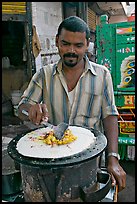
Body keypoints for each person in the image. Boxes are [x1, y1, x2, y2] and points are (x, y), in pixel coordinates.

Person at [18, 16, 126, 192]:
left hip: (90, 163)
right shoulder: (43, 75)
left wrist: (113, 158)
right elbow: (21, 109)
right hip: (51, 163)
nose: (71, 51)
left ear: (87, 44)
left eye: (78, 45)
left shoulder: (102, 75)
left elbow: (110, 116)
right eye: (65, 44)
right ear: (57, 42)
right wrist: (30, 110)